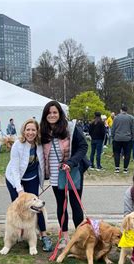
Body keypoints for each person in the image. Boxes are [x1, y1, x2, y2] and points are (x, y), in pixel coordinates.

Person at [40, 100, 89, 249]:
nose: (52, 115)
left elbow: (83, 146)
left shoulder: (71, 128)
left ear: (60, 113)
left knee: (76, 205)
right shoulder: (43, 131)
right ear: (45, 115)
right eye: (49, 113)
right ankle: (64, 237)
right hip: (55, 175)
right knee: (61, 205)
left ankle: (80, 237)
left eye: (55, 112)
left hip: (72, 172)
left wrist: (72, 162)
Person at [5, 118, 53, 252]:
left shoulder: (39, 144)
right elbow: (14, 169)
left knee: (36, 207)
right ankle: (18, 234)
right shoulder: (17, 145)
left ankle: (43, 235)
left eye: (33, 130)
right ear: (24, 131)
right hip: (14, 178)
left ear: (37, 131)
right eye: (28, 130)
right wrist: (19, 189)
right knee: (19, 208)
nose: (30, 132)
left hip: (32, 178)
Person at [111, 105, 134, 174]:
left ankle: (117, 168)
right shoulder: (131, 118)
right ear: (126, 110)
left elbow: (113, 128)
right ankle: (125, 169)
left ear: (121, 110)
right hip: (127, 138)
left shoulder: (116, 118)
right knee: (127, 154)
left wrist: (113, 136)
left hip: (117, 138)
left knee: (117, 153)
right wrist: (132, 136)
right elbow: (133, 128)